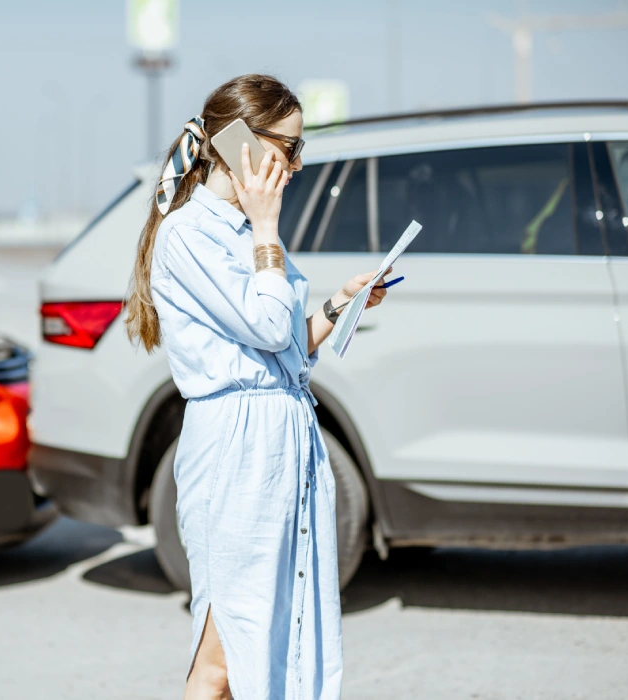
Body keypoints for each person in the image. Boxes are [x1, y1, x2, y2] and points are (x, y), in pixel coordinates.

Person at [124, 75, 390, 699]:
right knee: (226, 651)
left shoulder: (246, 231)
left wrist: (339, 304)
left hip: (281, 436)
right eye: (289, 148)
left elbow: (286, 345)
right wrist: (268, 227)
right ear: (241, 142)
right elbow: (268, 326)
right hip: (236, 448)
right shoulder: (189, 234)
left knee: (273, 639)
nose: (295, 166)